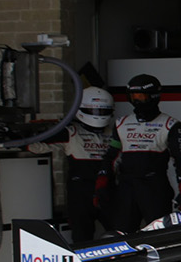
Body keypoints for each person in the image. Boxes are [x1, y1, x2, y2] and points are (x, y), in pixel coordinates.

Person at [111, 73, 181, 262]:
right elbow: (111, 156)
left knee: (161, 239)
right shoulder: (121, 123)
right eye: (134, 96)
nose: (138, 100)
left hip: (155, 186)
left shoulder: (171, 124)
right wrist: (102, 184)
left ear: (155, 96)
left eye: (143, 96)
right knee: (123, 239)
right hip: (126, 188)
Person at [30, 85, 119, 244]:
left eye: (103, 111)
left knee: (120, 231)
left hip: (109, 188)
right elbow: (36, 146)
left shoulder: (114, 132)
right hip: (80, 190)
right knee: (81, 235)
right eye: (94, 111)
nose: (98, 116)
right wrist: (20, 137)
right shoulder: (71, 131)